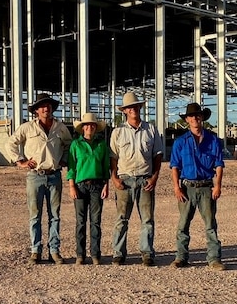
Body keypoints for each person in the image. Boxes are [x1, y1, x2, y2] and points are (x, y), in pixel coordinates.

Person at [6, 93, 73, 265]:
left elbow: (69, 144)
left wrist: (64, 159)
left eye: (49, 105)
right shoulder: (27, 128)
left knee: (55, 216)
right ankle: (35, 250)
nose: (46, 108)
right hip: (35, 176)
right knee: (35, 216)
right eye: (42, 106)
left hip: (54, 175)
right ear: (36, 110)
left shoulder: (60, 127)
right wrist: (21, 161)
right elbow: (11, 143)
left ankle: (54, 251)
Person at [169, 102, 226, 270]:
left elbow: (219, 164)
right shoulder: (180, 142)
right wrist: (176, 187)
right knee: (183, 224)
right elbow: (174, 166)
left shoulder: (213, 140)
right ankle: (181, 257)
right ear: (187, 120)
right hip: (187, 187)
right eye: (192, 116)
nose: (195, 118)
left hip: (207, 187)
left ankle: (214, 259)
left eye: (198, 115)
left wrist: (218, 186)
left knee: (210, 224)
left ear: (202, 118)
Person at [109, 91, 164, 266]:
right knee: (121, 219)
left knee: (147, 219)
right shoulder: (118, 132)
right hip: (124, 180)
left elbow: (157, 155)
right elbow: (113, 158)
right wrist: (114, 178)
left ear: (139, 107)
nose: (133, 109)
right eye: (129, 107)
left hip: (145, 178)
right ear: (124, 111)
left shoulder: (151, 129)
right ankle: (118, 253)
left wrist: (154, 177)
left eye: (135, 106)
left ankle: (147, 253)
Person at [66, 113, 110, 265]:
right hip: (80, 186)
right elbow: (71, 166)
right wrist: (71, 185)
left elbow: (106, 166)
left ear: (96, 127)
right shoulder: (76, 145)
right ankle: (80, 254)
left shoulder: (102, 144)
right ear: (82, 128)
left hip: (97, 185)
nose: (89, 127)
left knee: (96, 221)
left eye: (92, 125)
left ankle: (95, 254)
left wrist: (106, 184)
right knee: (80, 222)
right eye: (87, 125)